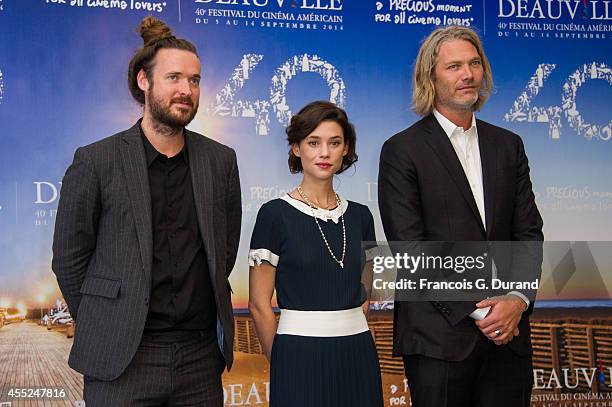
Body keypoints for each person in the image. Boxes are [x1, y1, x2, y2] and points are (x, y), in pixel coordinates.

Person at [51, 16, 241, 406]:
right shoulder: (96, 161)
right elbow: (69, 259)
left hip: (199, 362)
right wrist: (105, 323)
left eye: (194, 80)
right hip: (124, 363)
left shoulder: (220, 161)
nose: (186, 90)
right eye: (174, 77)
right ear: (144, 81)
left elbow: (225, 250)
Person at [378, 26, 543, 407]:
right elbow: (411, 246)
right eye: (454, 66)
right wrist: (481, 308)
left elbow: (529, 233)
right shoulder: (402, 150)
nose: (467, 75)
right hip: (439, 339)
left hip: (509, 337)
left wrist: (517, 300)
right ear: (430, 77)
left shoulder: (508, 145)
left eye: (474, 64)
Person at [248, 101, 383, 407]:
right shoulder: (274, 215)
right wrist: (283, 361)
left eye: (334, 143)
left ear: (346, 149)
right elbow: (258, 305)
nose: (324, 153)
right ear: (296, 148)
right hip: (298, 355)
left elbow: (366, 295)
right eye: (313, 142)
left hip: (357, 353)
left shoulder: (362, 217)